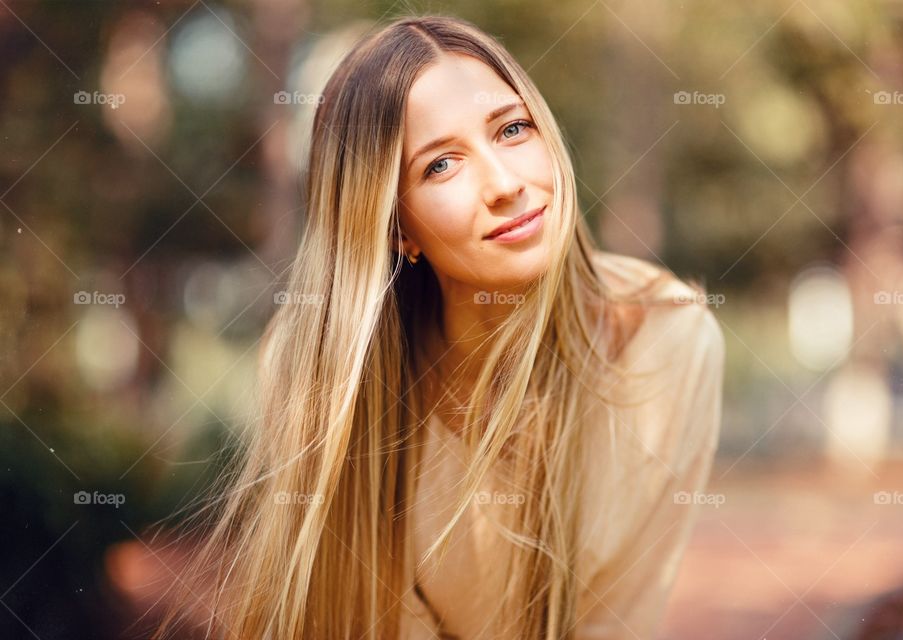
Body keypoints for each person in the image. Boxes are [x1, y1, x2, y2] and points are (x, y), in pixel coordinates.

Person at [152, 14, 725, 640]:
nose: (506, 185)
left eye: (512, 129)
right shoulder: (318, 371)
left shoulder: (669, 339)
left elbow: (622, 615)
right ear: (396, 226)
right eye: (441, 166)